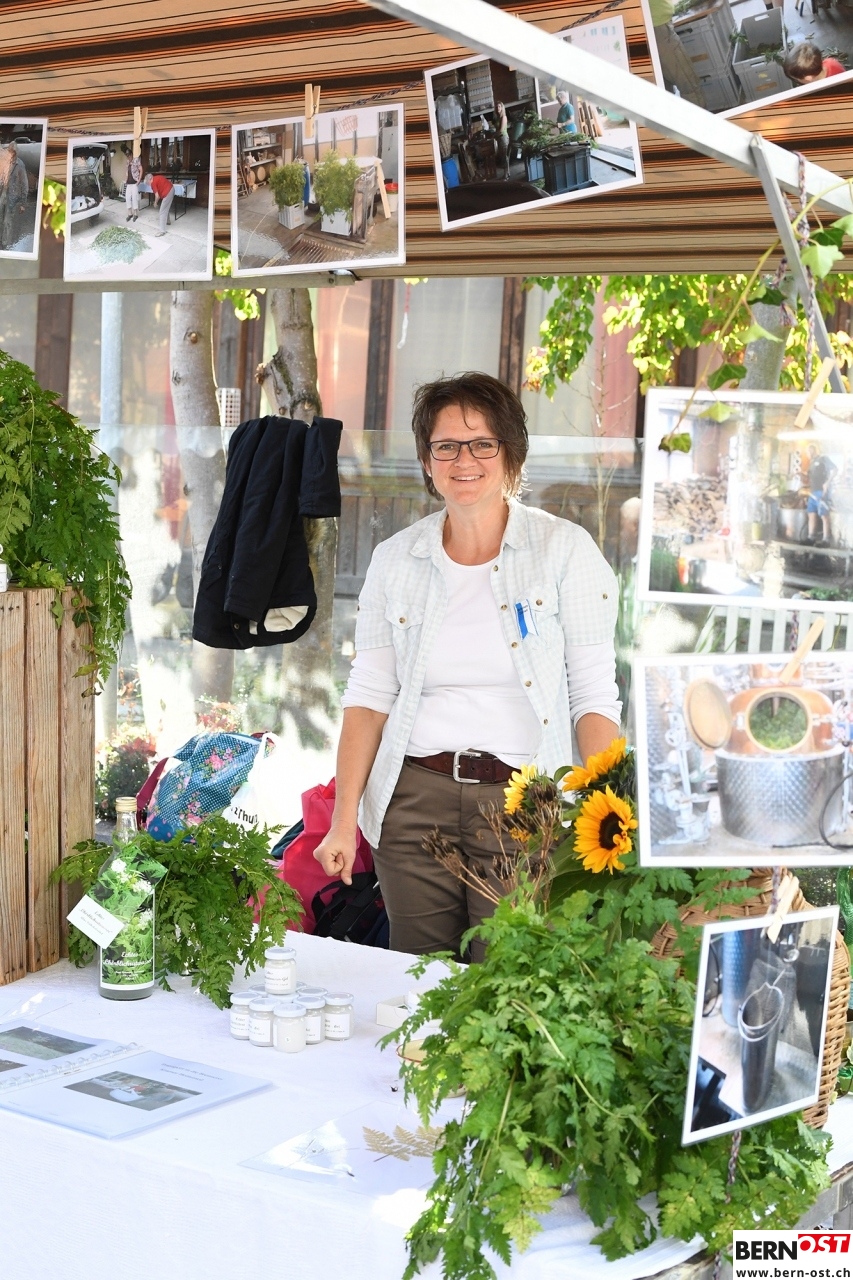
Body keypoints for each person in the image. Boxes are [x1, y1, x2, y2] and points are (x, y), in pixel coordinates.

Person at [314, 373, 621, 961]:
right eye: (446, 446)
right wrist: (344, 818)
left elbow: (592, 697)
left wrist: (608, 809)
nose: (464, 460)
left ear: (511, 454)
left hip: (526, 804)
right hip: (413, 801)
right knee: (417, 981)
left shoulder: (565, 551)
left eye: (482, 443)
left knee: (507, 981)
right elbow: (370, 695)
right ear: (427, 461)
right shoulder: (395, 559)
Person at [648, 0, 707, 107]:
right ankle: (700, 117)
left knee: (664, 90)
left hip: (652, 26)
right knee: (689, 86)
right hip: (657, 29)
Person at [804, 445, 837, 548]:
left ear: (813, 450)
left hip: (822, 491)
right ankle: (811, 538)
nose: (807, 454)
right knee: (811, 514)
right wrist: (799, 474)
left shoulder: (823, 459)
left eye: (808, 452)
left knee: (824, 515)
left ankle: (826, 540)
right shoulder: (811, 463)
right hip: (813, 492)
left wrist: (827, 482)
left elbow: (835, 469)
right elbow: (808, 476)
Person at [0, 140, 30, 251]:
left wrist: (23, 203)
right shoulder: (5, 162)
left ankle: (4, 245)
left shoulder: (20, 165)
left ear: (15, 152)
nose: (9, 153)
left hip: (12, 197)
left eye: (12, 151)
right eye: (9, 151)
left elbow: (24, 184)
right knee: (0, 218)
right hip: (3, 194)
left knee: (7, 221)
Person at [146, 170, 174, 236]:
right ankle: (168, 221)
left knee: (162, 212)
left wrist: (155, 203)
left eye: (147, 182)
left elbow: (157, 196)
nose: (148, 184)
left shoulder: (153, 183)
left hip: (168, 192)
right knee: (166, 207)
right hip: (171, 189)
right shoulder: (157, 177)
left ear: (149, 180)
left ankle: (162, 231)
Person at [124, 151, 143, 222]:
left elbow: (141, 169)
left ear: (132, 155)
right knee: (127, 198)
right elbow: (127, 172)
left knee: (134, 198)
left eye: (129, 155)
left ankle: (135, 214)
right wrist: (126, 180)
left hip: (134, 183)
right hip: (128, 183)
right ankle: (130, 213)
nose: (128, 157)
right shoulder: (127, 162)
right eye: (127, 156)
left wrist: (139, 180)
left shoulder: (136, 160)